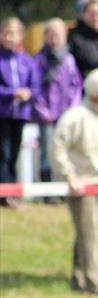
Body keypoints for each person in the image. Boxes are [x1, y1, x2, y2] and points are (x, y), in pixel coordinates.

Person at [51, 68, 98, 295]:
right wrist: (69, 176)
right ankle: (95, 283)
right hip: (83, 187)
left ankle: (79, 278)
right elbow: (57, 148)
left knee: (86, 235)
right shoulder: (75, 117)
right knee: (89, 235)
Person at [33, 18, 84, 187]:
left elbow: (75, 86)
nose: (55, 38)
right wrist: (42, 111)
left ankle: (62, 184)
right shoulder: (39, 60)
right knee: (47, 151)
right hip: (46, 116)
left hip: (64, 115)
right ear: (45, 36)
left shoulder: (69, 60)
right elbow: (35, 88)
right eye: (51, 34)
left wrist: (71, 110)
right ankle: (47, 187)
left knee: (64, 151)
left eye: (58, 34)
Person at [0, 17, 40, 208]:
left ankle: (11, 193)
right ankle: (5, 194)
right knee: (4, 153)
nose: (10, 37)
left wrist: (29, 93)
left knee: (14, 153)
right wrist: (12, 93)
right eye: (7, 32)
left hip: (20, 114)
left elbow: (35, 84)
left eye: (14, 33)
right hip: (3, 113)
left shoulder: (27, 60)